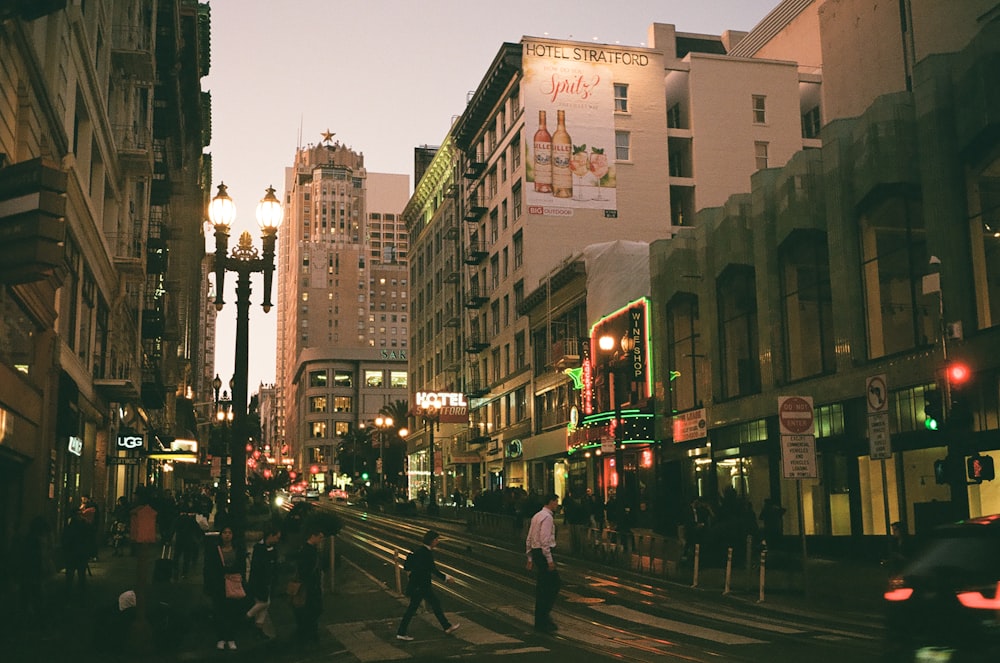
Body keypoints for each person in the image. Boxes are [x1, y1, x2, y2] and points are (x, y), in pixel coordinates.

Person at [396, 529, 459, 641]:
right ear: (431, 541)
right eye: (436, 539)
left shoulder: (421, 551)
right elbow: (433, 569)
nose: (437, 541)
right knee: (416, 608)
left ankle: (447, 626)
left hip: (419, 585)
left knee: (432, 605)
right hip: (421, 586)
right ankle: (401, 633)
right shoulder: (426, 553)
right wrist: (446, 578)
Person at [203, 524, 247, 651]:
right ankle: (221, 638)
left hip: (233, 584)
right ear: (221, 535)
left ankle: (231, 637)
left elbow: (241, 566)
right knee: (220, 612)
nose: (227, 535)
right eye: (225, 533)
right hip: (219, 585)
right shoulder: (215, 550)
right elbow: (210, 567)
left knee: (232, 612)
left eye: (229, 533)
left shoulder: (238, 549)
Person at [525, 493, 561, 632]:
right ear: (551, 502)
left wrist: (529, 557)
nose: (557, 504)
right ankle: (544, 617)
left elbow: (529, 537)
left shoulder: (537, 516)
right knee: (553, 585)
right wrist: (550, 560)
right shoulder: (547, 517)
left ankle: (540, 619)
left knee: (542, 587)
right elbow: (544, 540)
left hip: (536, 552)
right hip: (543, 553)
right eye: (556, 501)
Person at [292, 524, 326, 642]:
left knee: (309, 610)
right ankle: (310, 635)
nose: (322, 540)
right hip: (310, 587)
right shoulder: (309, 551)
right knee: (312, 610)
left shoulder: (306, 549)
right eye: (320, 537)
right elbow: (306, 570)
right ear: (313, 536)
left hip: (310, 586)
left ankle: (306, 633)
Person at [246, 525, 281, 639]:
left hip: (268, 581)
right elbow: (258, 567)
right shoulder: (259, 548)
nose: (277, 540)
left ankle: (258, 629)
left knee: (264, 605)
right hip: (260, 581)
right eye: (277, 537)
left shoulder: (272, 548)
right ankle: (248, 616)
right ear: (270, 536)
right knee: (264, 602)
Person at [62, 511, 92, 594]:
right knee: (81, 575)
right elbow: (88, 540)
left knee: (70, 576)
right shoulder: (85, 527)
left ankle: (68, 593)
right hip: (81, 554)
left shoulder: (69, 527)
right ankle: (81, 594)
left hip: (71, 554)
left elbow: (64, 540)